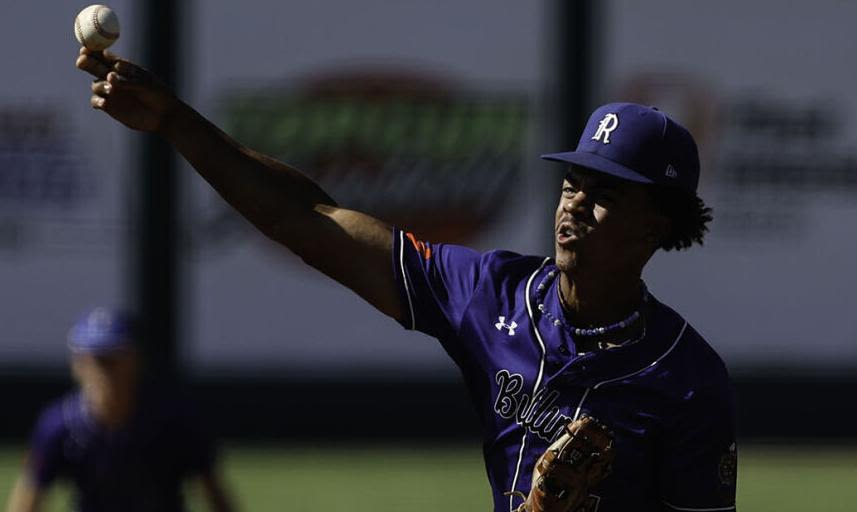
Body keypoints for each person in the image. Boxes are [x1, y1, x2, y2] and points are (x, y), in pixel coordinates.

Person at [74, 47, 737, 512]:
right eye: (573, 183)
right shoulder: (492, 294)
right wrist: (174, 121)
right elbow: (304, 217)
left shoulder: (686, 381)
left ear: (656, 225)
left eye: (607, 196)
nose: (574, 206)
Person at [5, 308, 235, 512]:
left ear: (135, 360)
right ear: (77, 364)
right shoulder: (59, 425)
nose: (104, 370)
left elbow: (213, 491)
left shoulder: (174, 419)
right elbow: (30, 495)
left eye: (114, 358)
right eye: (96, 359)